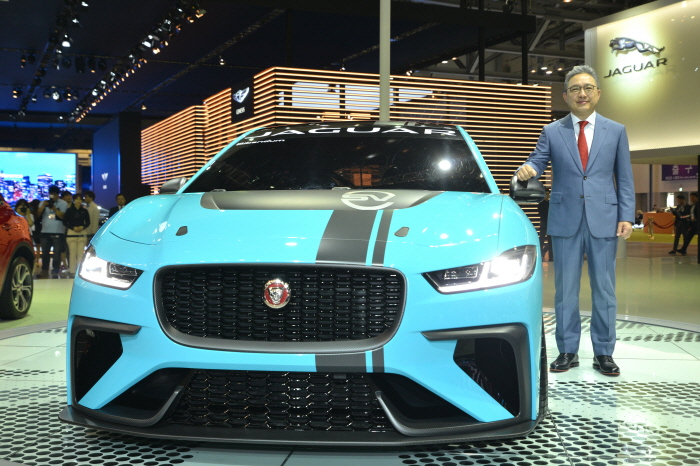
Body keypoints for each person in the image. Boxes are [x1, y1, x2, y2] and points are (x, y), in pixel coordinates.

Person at [516, 65, 635, 376]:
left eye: (588, 88)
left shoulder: (616, 130)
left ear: (598, 93)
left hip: (604, 218)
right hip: (565, 217)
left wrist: (626, 216)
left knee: (604, 290)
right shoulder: (552, 131)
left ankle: (604, 352)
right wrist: (528, 168)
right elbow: (538, 159)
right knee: (565, 290)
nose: (582, 93)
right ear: (566, 96)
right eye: (575, 89)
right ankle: (567, 350)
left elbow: (624, 178)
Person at [36, 185, 69, 278]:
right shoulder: (43, 203)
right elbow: (38, 215)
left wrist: (54, 209)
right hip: (45, 231)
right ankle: (44, 270)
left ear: (58, 195)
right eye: (51, 194)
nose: (52, 196)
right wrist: (44, 206)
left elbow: (63, 216)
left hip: (58, 231)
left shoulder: (63, 203)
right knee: (45, 252)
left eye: (54, 194)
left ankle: (55, 270)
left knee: (57, 253)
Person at [63, 193, 91, 278]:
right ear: (74, 200)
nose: (78, 201)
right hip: (72, 232)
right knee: (72, 253)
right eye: (76, 199)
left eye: (80, 199)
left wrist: (83, 227)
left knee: (80, 253)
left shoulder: (84, 211)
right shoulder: (69, 210)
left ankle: (79, 271)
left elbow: (88, 222)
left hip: (82, 232)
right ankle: (72, 271)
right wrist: (73, 227)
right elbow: (64, 222)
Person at [538, 189, 553, 261]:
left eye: (548, 194)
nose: (547, 196)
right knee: (542, 240)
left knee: (550, 241)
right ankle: (540, 256)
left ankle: (551, 257)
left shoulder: (549, 204)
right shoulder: (541, 204)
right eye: (546, 194)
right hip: (544, 223)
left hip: (548, 223)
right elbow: (542, 215)